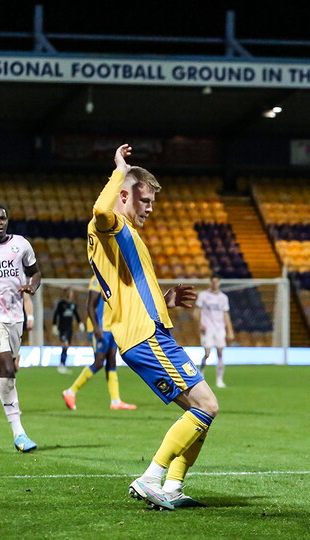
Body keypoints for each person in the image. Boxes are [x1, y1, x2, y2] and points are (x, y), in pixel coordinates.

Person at [89, 144, 216, 510]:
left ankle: (172, 486)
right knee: (206, 405)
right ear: (125, 195)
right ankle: (152, 478)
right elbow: (100, 209)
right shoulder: (111, 224)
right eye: (144, 200)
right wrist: (118, 170)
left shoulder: (125, 233)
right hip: (144, 336)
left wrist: (166, 300)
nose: (149, 208)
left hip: (144, 332)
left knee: (199, 410)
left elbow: (131, 288)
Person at [0, 203, 42, 452]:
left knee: (4, 369)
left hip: (15, 316)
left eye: (2, 218)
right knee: (8, 370)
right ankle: (19, 434)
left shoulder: (21, 244)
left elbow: (35, 272)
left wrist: (32, 286)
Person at [61, 276, 137, 411]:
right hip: (100, 328)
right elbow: (90, 305)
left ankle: (115, 401)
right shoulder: (98, 278)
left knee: (112, 361)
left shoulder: (117, 277)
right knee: (99, 361)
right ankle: (71, 391)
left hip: (112, 327)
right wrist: (96, 327)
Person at [195, 275, 235, 388]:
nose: (215, 284)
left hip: (219, 328)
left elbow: (226, 314)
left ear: (219, 283)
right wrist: (200, 324)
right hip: (207, 328)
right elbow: (197, 311)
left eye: (217, 282)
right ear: (210, 283)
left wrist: (230, 330)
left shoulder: (223, 297)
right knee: (207, 353)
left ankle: (219, 380)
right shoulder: (203, 295)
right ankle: (201, 373)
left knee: (220, 352)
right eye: (213, 282)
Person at [52, 288, 81, 374]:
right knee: (65, 344)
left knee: (66, 346)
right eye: (70, 293)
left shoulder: (73, 304)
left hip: (69, 329)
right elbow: (56, 314)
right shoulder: (61, 304)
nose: (71, 295)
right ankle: (61, 364)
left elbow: (76, 314)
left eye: (72, 293)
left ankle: (63, 364)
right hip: (62, 328)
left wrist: (80, 323)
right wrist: (54, 325)